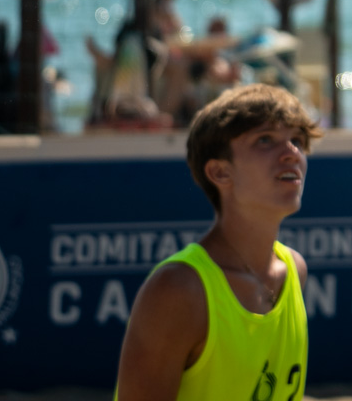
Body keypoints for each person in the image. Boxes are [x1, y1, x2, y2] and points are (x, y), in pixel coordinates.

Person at [114, 83, 315, 401]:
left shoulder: (294, 271)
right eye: (266, 140)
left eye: (298, 141)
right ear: (220, 172)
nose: (292, 152)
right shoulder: (179, 289)